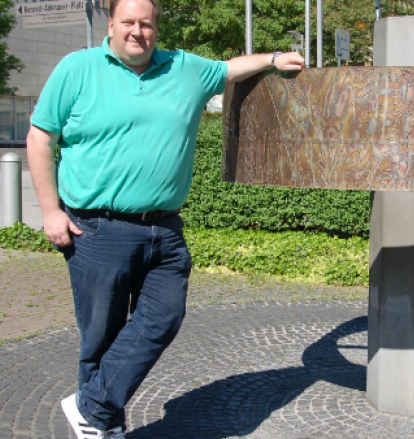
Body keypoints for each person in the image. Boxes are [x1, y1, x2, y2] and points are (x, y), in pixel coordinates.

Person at [26, 0, 305, 437]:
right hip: (97, 229)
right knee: (101, 337)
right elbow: (41, 138)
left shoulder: (184, 68)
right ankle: (102, 424)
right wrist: (50, 211)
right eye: (129, 23)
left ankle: (90, 407)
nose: (138, 32)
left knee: (164, 316)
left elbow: (231, 69)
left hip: (165, 229)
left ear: (156, 28)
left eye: (147, 24)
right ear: (111, 25)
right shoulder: (77, 68)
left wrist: (271, 60)